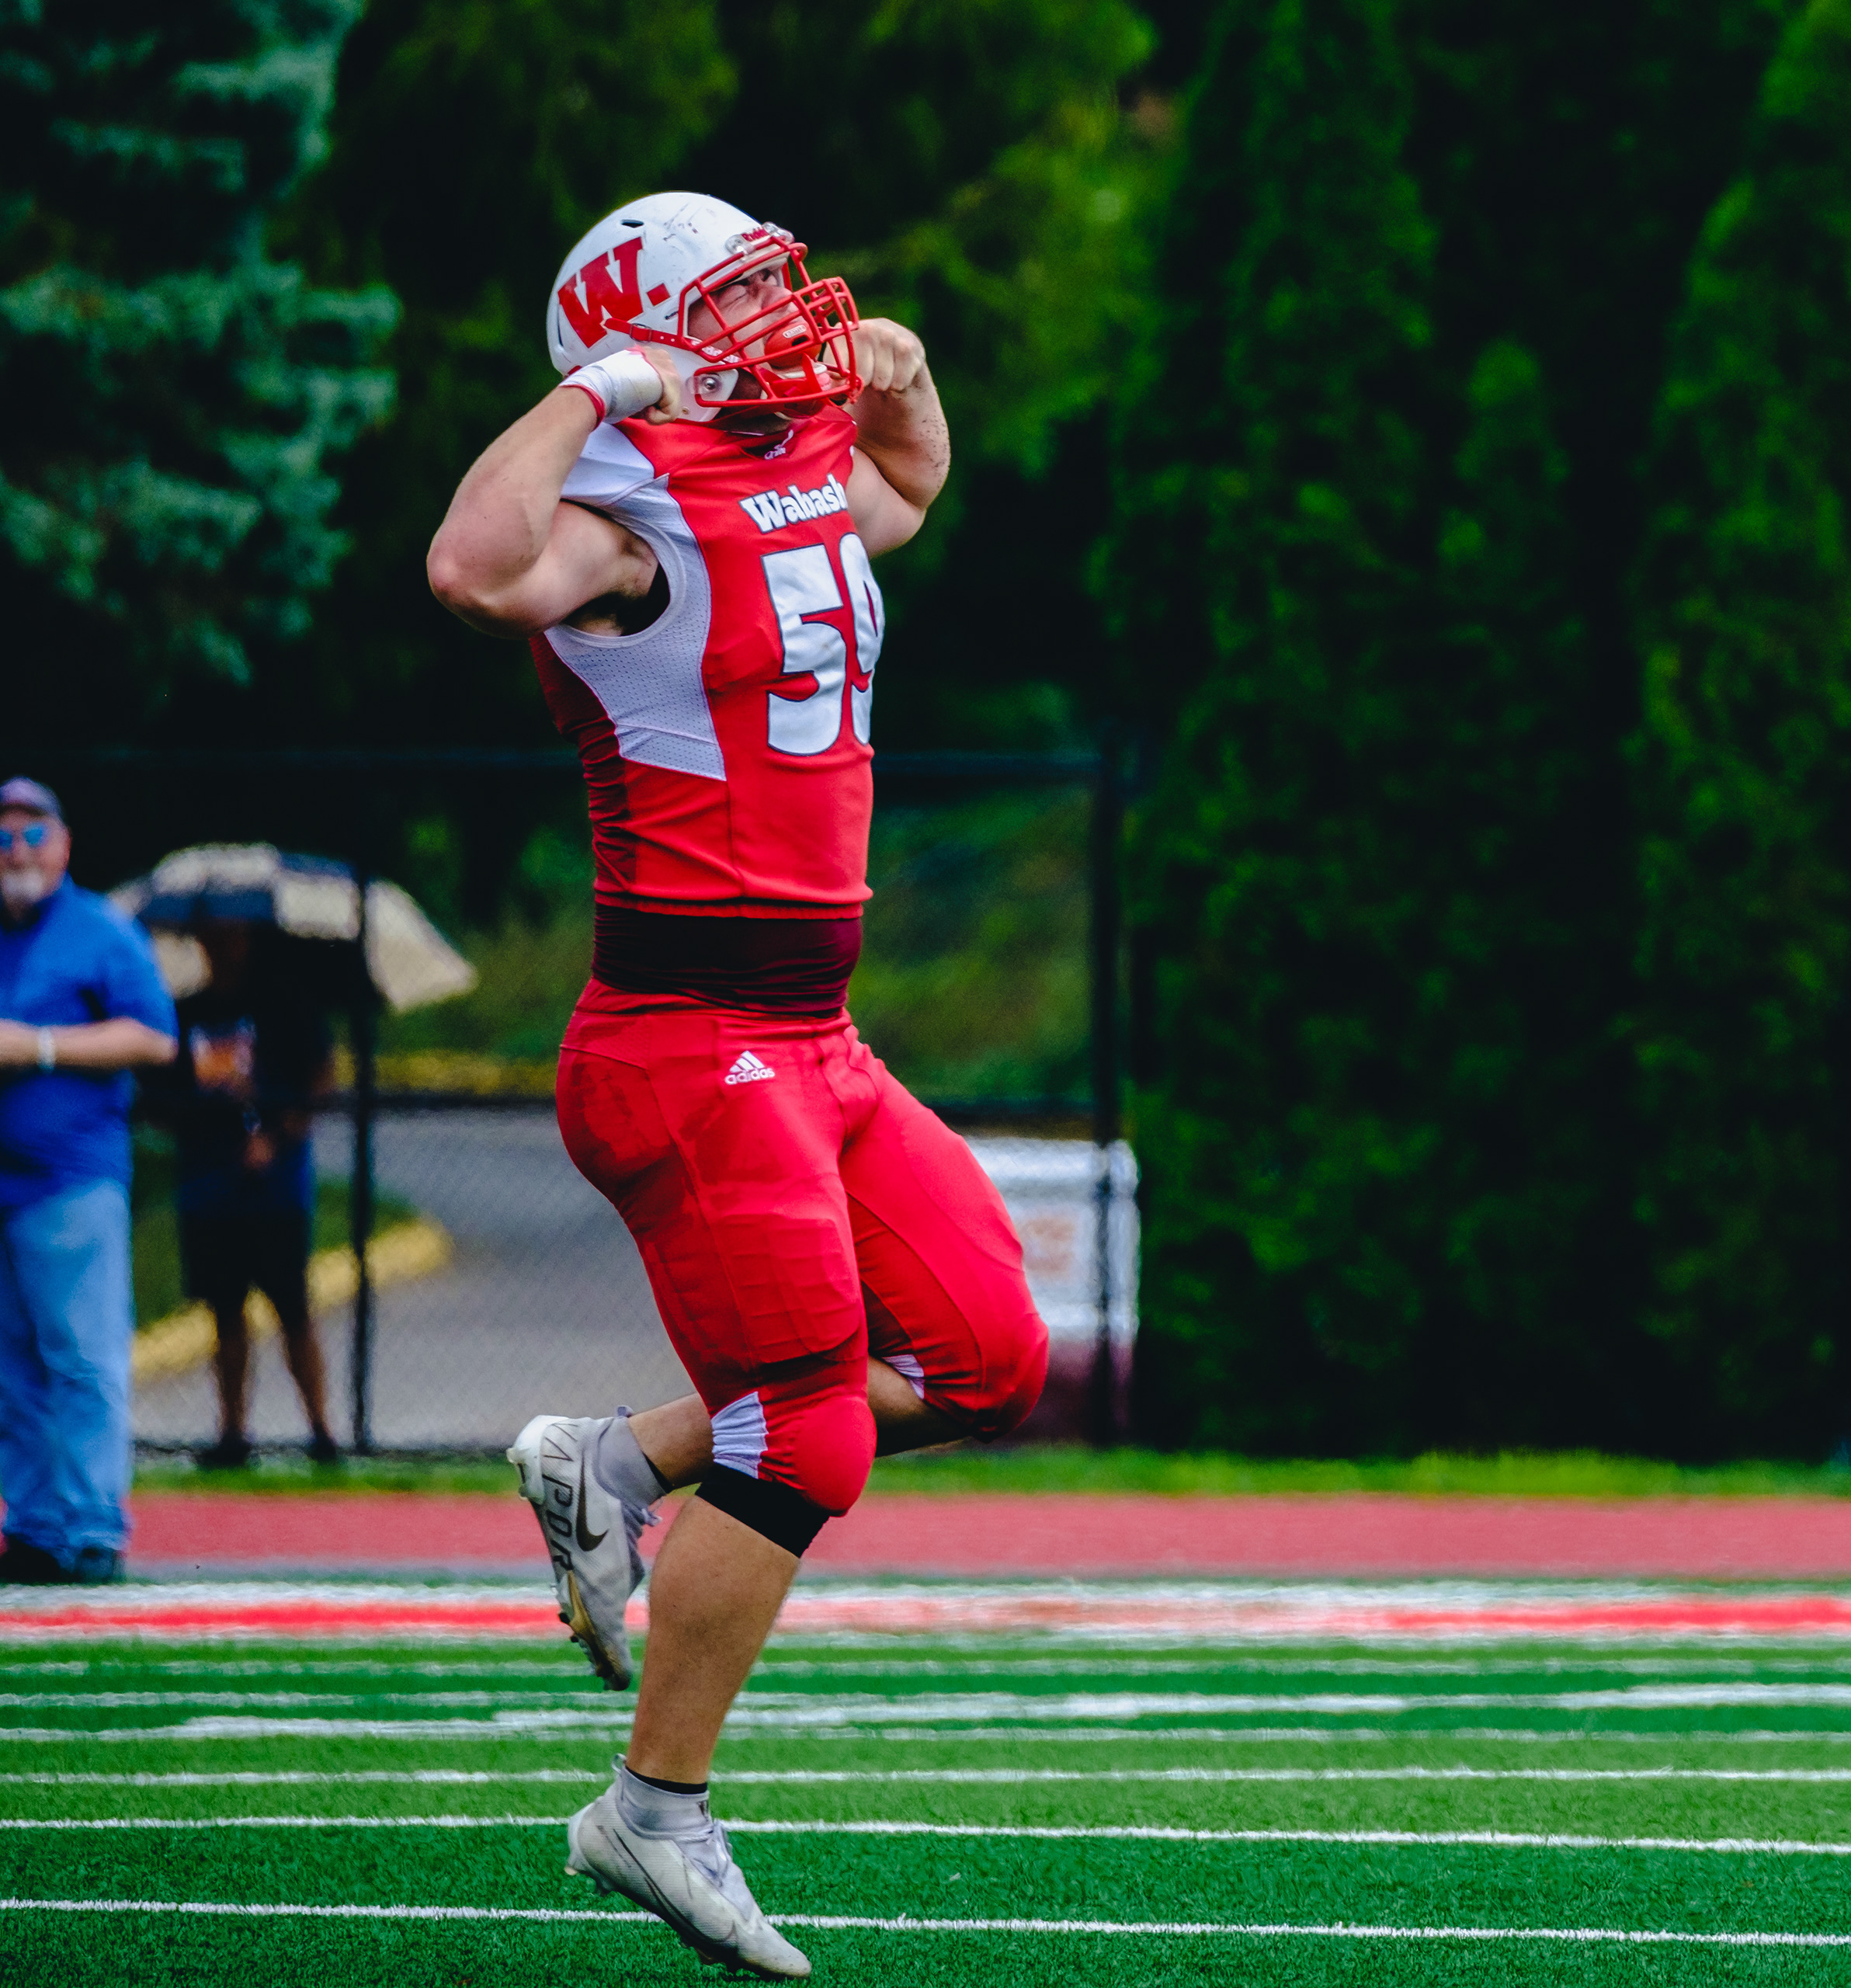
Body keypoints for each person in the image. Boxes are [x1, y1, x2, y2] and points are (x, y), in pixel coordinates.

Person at [426, 193, 1047, 1979]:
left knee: (988, 1355)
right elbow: (469, 568)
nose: (788, 316)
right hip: (689, 1040)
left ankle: (607, 1462)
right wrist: (602, 392)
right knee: (816, 1419)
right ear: (640, 346)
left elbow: (909, 490)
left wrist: (904, 367)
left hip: (819, 1040)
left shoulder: (783, 475)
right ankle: (653, 1808)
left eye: (781, 286)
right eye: (743, 298)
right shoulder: (613, 518)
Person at [0, 777, 177, 1584]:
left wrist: (37, 1047)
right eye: (3, 835)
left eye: (31, 833)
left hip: (71, 1182)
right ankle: (36, 1527)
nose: (16, 851)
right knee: (13, 1367)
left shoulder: (100, 929)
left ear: (63, 845)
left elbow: (155, 1037)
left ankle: (93, 1528)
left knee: (82, 1358)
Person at [158, 919, 341, 1468]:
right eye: (213, 933)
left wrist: (281, 1132)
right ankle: (233, 1432)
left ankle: (322, 1431)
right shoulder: (187, 1011)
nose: (223, 944)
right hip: (209, 1183)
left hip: (274, 1187)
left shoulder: (285, 1005)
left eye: (233, 933)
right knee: (225, 1310)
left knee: (292, 1308)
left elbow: (321, 1076)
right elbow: (162, 1090)